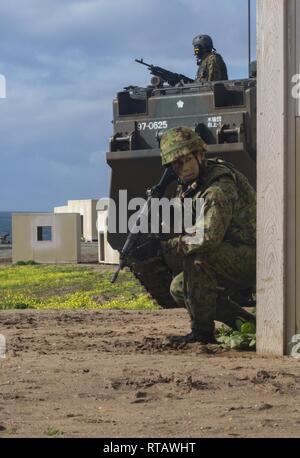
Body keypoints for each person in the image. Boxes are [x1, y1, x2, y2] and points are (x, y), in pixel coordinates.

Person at [157, 127, 256, 344]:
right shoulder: (193, 185)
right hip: (229, 253)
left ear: (200, 155)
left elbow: (208, 236)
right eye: (176, 164)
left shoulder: (218, 187)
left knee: (197, 262)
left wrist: (167, 247)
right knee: (180, 287)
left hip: (254, 256)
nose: (183, 168)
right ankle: (248, 324)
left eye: (186, 160)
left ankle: (202, 334)